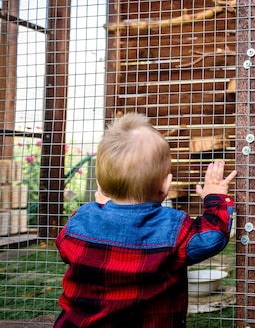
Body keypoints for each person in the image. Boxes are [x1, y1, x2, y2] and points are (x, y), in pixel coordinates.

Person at [54, 113, 236, 327]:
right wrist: (214, 196)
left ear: (100, 185)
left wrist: (100, 209)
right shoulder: (172, 227)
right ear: (165, 186)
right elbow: (212, 236)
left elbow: (64, 248)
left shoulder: (81, 219)